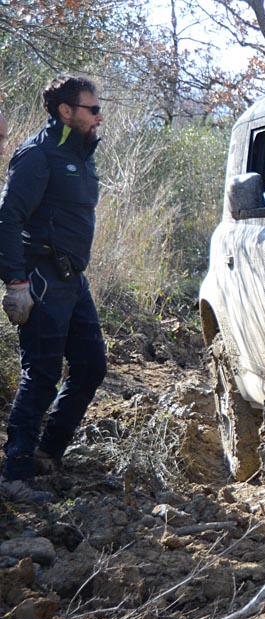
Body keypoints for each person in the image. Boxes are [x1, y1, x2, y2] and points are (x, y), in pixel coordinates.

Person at [0, 76, 107, 503]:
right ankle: (15, 473)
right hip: (41, 278)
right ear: (66, 111)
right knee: (41, 375)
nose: (99, 116)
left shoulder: (80, 154)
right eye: (92, 109)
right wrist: (15, 283)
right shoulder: (37, 155)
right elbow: (8, 220)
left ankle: (47, 453)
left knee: (91, 366)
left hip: (73, 280)